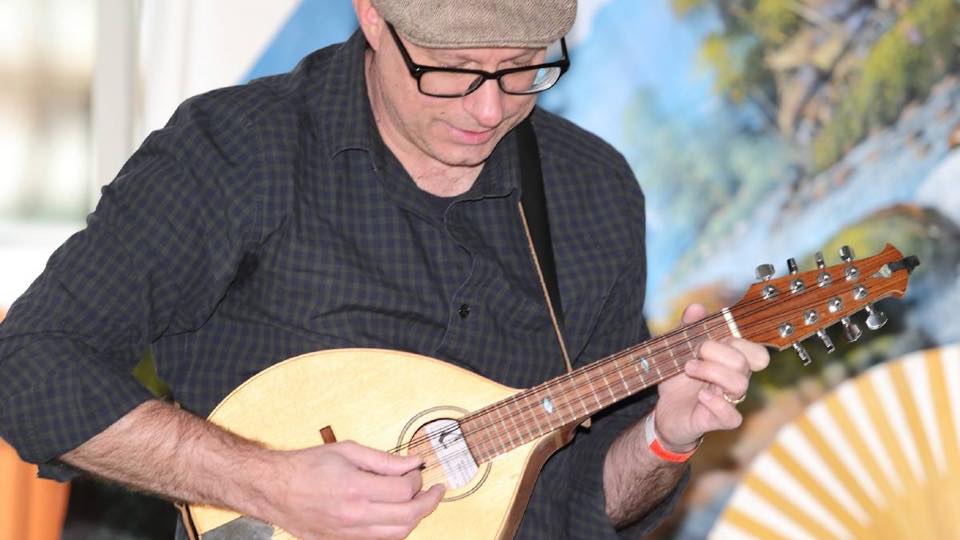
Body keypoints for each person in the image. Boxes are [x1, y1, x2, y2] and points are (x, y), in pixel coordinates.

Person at [0, 0, 769, 538]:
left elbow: (581, 504)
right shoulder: (238, 153)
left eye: (522, 68)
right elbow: (30, 366)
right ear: (373, 16)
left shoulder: (592, 192)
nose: (488, 109)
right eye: (453, 70)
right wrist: (269, 483)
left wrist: (665, 438)